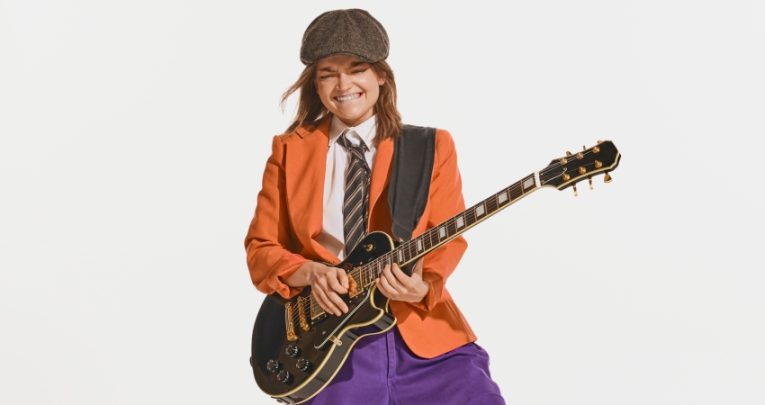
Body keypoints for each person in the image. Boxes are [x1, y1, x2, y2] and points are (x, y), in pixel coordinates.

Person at [245, 9, 506, 405]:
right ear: (315, 84)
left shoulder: (430, 146)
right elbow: (261, 251)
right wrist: (311, 272)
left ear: (381, 75)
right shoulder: (289, 151)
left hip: (423, 334)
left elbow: (448, 238)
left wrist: (424, 286)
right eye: (328, 73)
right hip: (330, 344)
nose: (343, 84)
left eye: (357, 69)